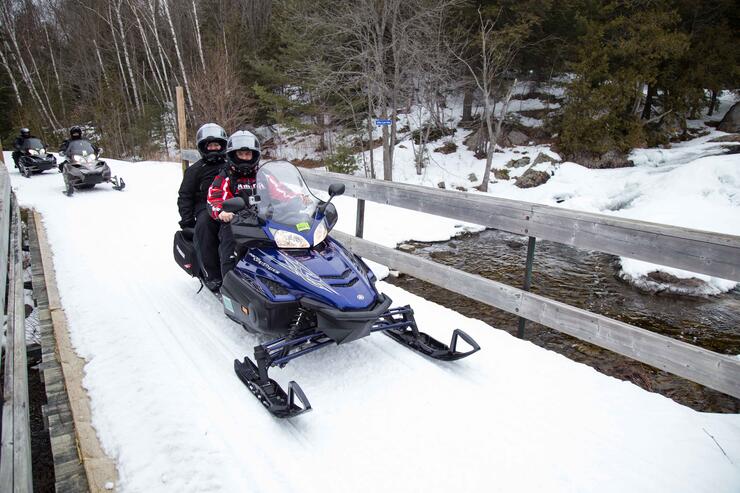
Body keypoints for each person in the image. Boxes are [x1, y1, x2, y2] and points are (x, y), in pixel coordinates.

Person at [178, 123, 229, 292]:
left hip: (231, 204)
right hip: (205, 208)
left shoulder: (231, 165)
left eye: (217, 145)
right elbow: (185, 195)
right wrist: (186, 220)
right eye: (210, 145)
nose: (214, 149)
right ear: (203, 147)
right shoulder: (195, 170)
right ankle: (212, 274)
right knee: (205, 226)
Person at [207, 130, 262, 277]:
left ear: (254, 155)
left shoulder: (263, 175)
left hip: (263, 219)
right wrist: (221, 211)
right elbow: (215, 197)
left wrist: (300, 199)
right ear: (233, 155)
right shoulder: (225, 176)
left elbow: (280, 191)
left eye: (248, 154)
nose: (245, 158)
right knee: (230, 247)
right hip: (235, 222)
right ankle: (228, 281)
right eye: (241, 154)